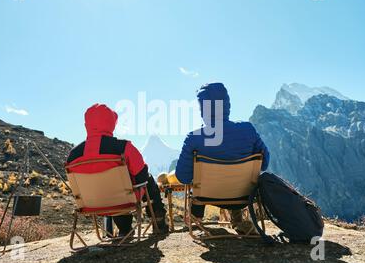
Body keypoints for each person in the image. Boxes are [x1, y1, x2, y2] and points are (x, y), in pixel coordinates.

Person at [175, 83, 270, 234]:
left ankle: (196, 222)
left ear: (203, 109)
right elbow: (264, 164)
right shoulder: (248, 130)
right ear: (227, 105)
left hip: (207, 197)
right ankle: (238, 219)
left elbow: (183, 177)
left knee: (197, 187)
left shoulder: (194, 138)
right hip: (242, 196)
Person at [66, 104, 168, 236]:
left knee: (109, 191)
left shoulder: (73, 155)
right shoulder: (123, 147)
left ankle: (125, 230)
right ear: (111, 123)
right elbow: (141, 175)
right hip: (124, 200)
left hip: (91, 204)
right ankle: (158, 221)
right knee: (144, 180)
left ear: (87, 125)